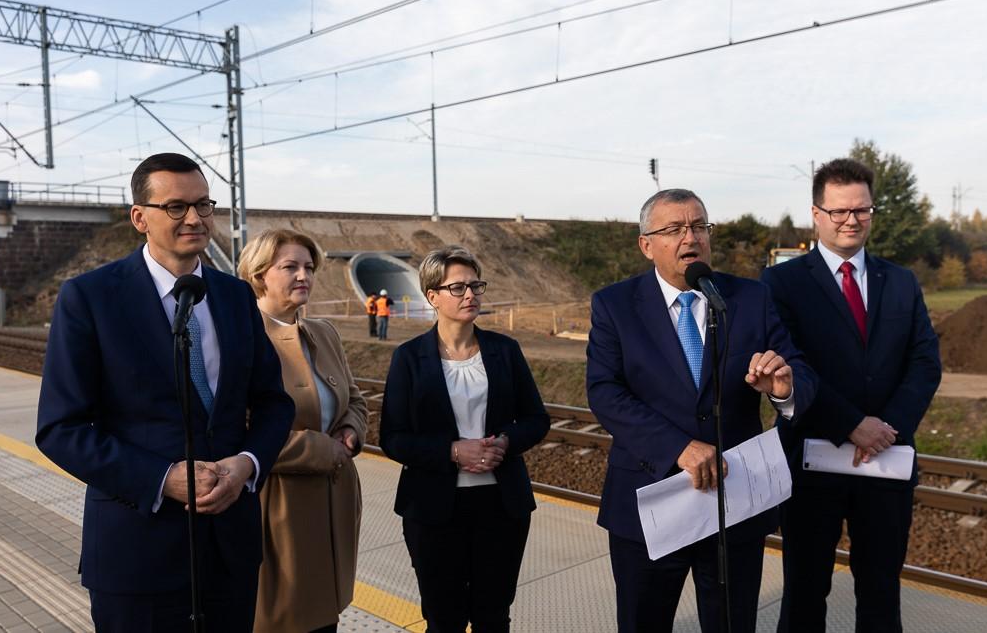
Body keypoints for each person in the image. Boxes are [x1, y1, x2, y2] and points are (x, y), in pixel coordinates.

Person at [36, 152, 295, 632]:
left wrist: (248, 465)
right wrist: (162, 478)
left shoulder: (236, 296)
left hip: (229, 552)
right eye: (176, 207)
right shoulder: (90, 298)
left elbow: (273, 403)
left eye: (203, 205)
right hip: (137, 554)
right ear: (140, 217)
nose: (195, 218)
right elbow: (60, 428)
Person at [586, 188, 816, 633]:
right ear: (646, 244)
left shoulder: (749, 298)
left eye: (699, 226)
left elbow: (799, 371)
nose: (690, 237)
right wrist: (678, 447)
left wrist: (784, 389)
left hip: (734, 503)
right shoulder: (614, 305)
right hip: (651, 502)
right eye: (674, 228)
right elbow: (604, 392)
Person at [760, 158, 941, 633]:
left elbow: (925, 363)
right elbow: (789, 362)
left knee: (881, 591)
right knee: (804, 590)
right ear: (817, 214)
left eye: (861, 210)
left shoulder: (900, 281)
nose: (851, 220)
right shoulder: (781, 283)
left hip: (886, 463)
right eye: (839, 211)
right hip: (811, 462)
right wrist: (851, 425)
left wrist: (884, 429)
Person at [380, 246, 549, 633]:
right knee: (444, 618)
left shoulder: (505, 350)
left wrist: (505, 442)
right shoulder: (409, 357)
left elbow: (537, 419)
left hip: (501, 507)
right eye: (458, 287)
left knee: (493, 616)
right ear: (432, 296)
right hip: (435, 510)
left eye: (475, 285)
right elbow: (393, 437)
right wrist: (452, 451)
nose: (470, 294)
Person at [238, 228, 368, 633]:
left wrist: (349, 430)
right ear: (259, 274)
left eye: (309, 267)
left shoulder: (324, 333)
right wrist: (319, 450)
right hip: (277, 508)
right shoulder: (240, 337)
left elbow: (356, 399)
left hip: (333, 501)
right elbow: (236, 429)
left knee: (324, 617)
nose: (303, 276)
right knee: (284, 619)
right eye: (290, 266)